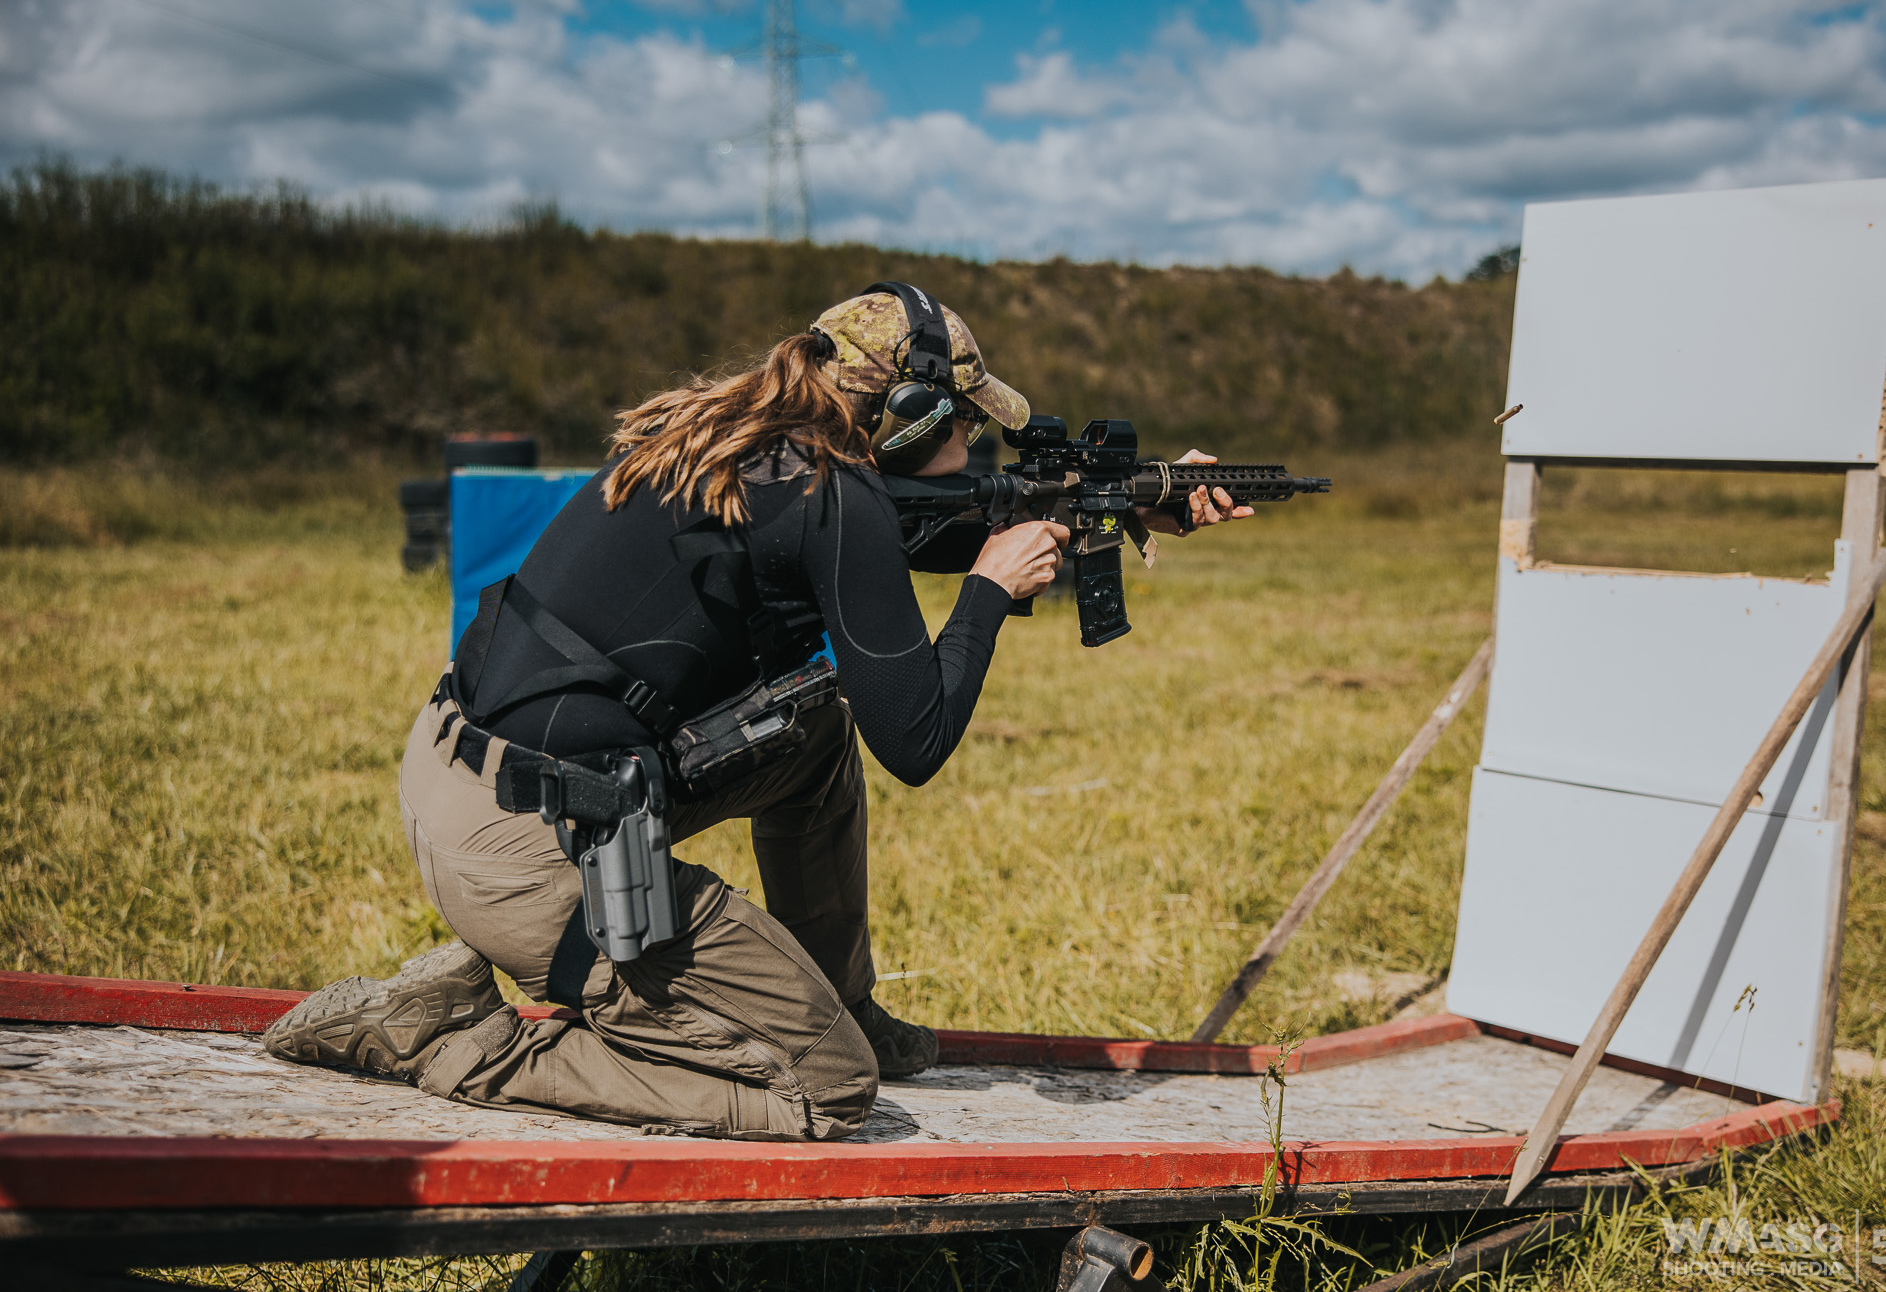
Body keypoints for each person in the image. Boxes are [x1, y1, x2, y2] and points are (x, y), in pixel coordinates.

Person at [262, 283, 1251, 1141]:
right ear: (899, 415)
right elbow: (913, 738)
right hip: (538, 853)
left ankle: (842, 1002)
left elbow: (906, 534)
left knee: (811, 729)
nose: (975, 443)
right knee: (825, 1090)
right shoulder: (837, 497)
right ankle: (450, 1045)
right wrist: (989, 591)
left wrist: (1116, 508)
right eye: (964, 424)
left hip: (471, 782)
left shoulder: (753, 446)